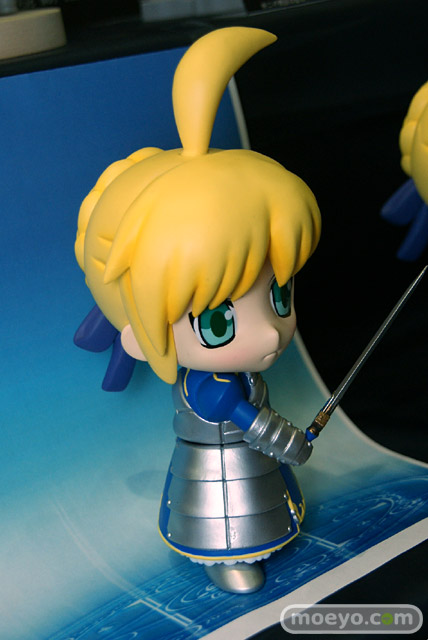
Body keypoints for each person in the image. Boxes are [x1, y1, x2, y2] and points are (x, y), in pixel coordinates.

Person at [74, 26, 321, 593]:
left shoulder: (230, 374)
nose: (269, 334)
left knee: (261, 497)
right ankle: (226, 558)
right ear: (138, 333)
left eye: (279, 296)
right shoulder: (210, 387)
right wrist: (290, 441)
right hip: (218, 470)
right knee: (224, 514)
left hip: (250, 466)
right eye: (218, 322)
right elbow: (256, 424)